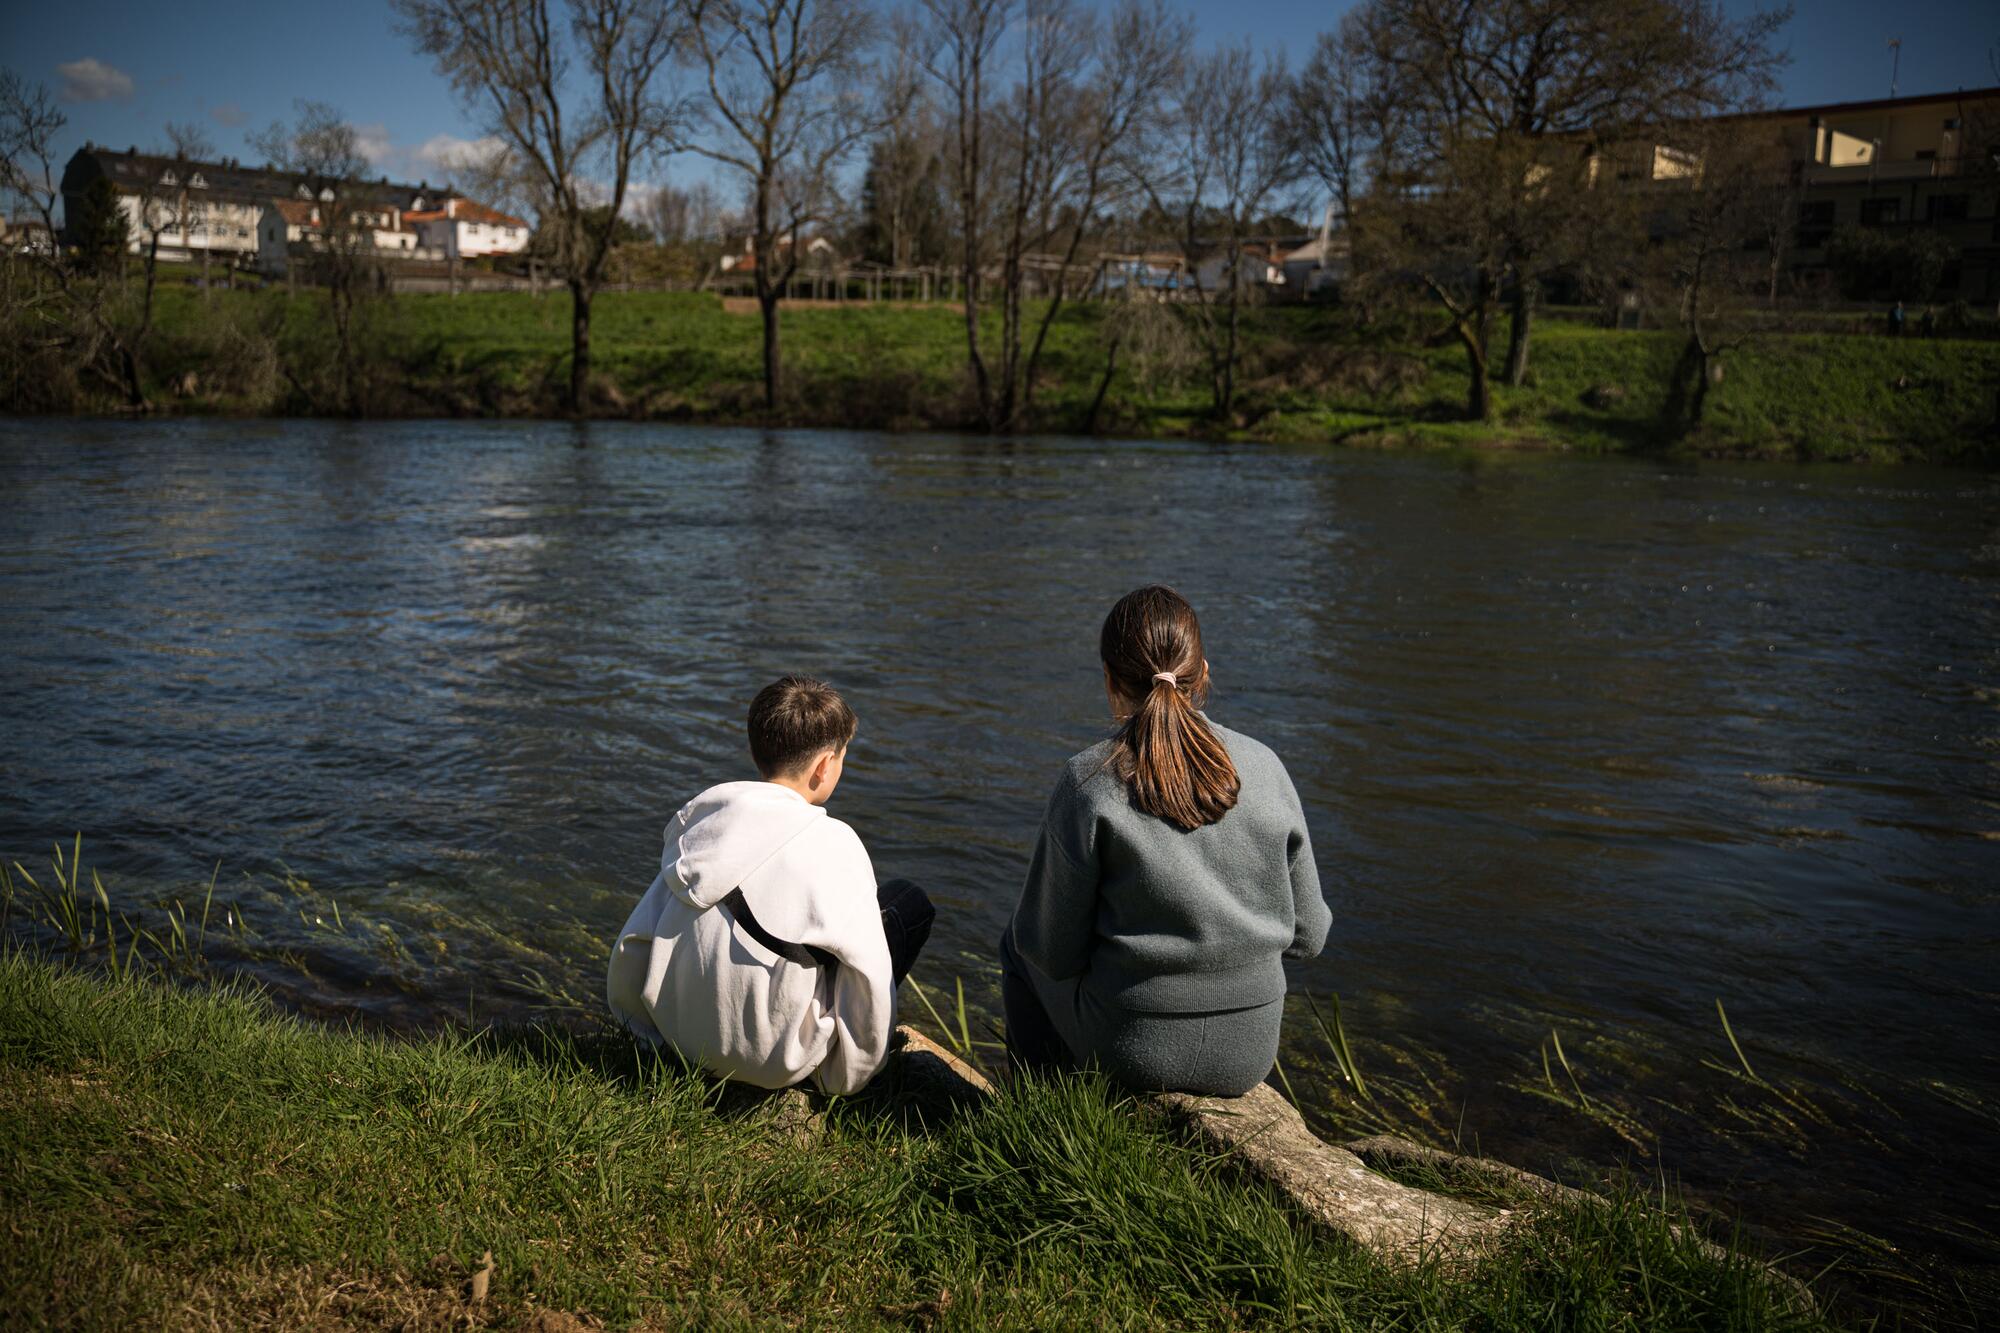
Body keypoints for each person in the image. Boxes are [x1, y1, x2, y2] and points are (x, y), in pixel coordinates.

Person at [1000, 586, 1332, 1096]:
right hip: (1250, 1050)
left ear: (1110, 679)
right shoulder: (1266, 767)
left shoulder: (1088, 781)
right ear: (1204, 673)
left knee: (1016, 944)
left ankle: (1040, 1112)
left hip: (1132, 1043)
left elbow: (1049, 949)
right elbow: (1310, 935)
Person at [607, 676, 933, 1094]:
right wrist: (845, 1078)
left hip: (681, 1039)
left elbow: (633, 943)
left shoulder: (701, 829)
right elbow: (867, 975)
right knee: (906, 904)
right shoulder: (836, 844)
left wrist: (647, 1033)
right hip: (776, 1061)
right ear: (824, 767)